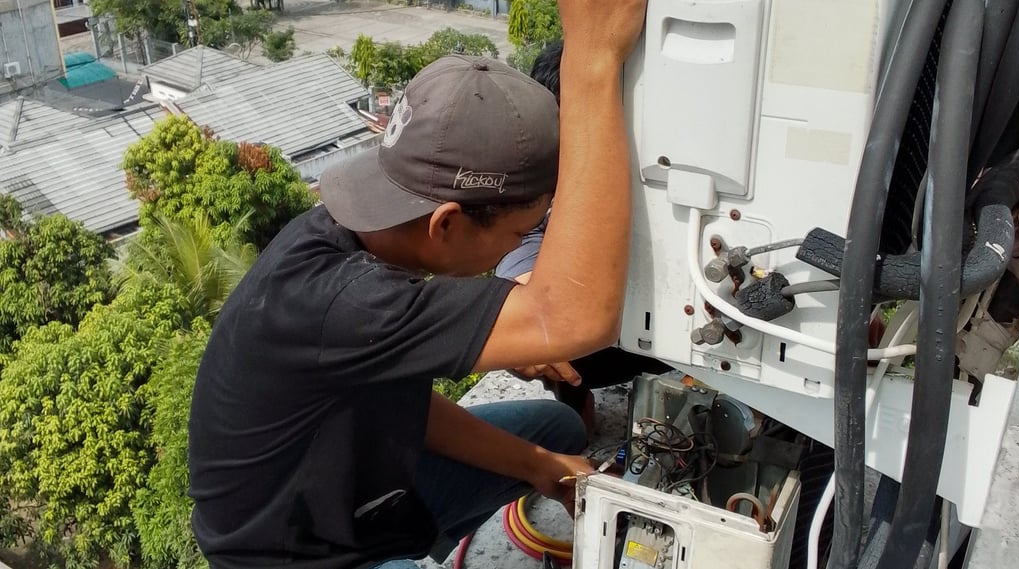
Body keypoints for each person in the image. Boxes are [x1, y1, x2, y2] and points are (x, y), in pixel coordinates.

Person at [187, 2, 649, 568]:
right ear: (447, 223)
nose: (518, 250)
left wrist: (540, 469)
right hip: (293, 551)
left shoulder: (357, 237)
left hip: (354, 479)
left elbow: (399, 403)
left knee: (553, 435)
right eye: (520, 233)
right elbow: (575, 317)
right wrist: (593, 58)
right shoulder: (350, 299)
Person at [498, 40, 672, 429]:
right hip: (621, 334)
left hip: (681, 318)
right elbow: (523, 243)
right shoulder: (549, 174)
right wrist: (522, 289)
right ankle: (576, 413)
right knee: (534, 339)